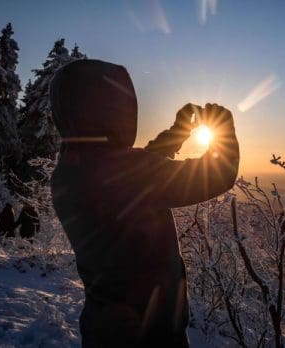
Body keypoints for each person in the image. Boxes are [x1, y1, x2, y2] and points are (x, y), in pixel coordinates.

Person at [50, 59, 239, 347]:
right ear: (110, 108)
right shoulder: (125, 172)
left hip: (103, 327)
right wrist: (223, 126)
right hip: (151, 331)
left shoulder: (69, 170)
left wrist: (177, 133)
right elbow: (218, 175)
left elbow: (136, 175)